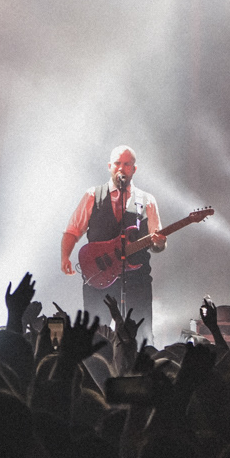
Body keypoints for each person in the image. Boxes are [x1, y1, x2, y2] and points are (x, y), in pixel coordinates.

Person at [60, 145, 163, 342]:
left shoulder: (147, 200)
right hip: (98, 276)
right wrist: (65, 256)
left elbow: (157, 243)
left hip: (136, 280)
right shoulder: (93, 195)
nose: (121, 168)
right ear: (109, 166)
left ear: (134, 168)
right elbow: (73, 231)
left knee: (141, 336)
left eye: (126, 164)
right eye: (117, 163)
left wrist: (159, 243)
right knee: (95, 337)